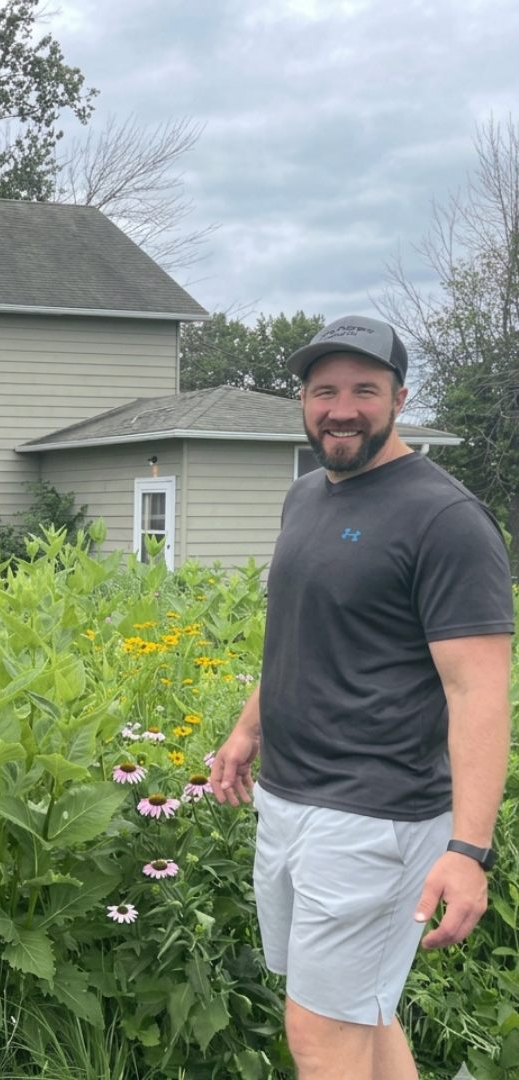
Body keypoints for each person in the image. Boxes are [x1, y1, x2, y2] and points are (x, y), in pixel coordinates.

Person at [209, 314, 514, 1080]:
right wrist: (248, 730)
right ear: (304, 400)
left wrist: (468, 851)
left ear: (400, 398)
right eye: (325, 391)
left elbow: (478, 691)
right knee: (358, 1013)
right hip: (290, 799)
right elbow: (305, 636)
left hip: (379, 818)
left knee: (318, 1037)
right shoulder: (305, 497)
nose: (341, 409)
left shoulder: (445, 521)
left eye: (364, 391)